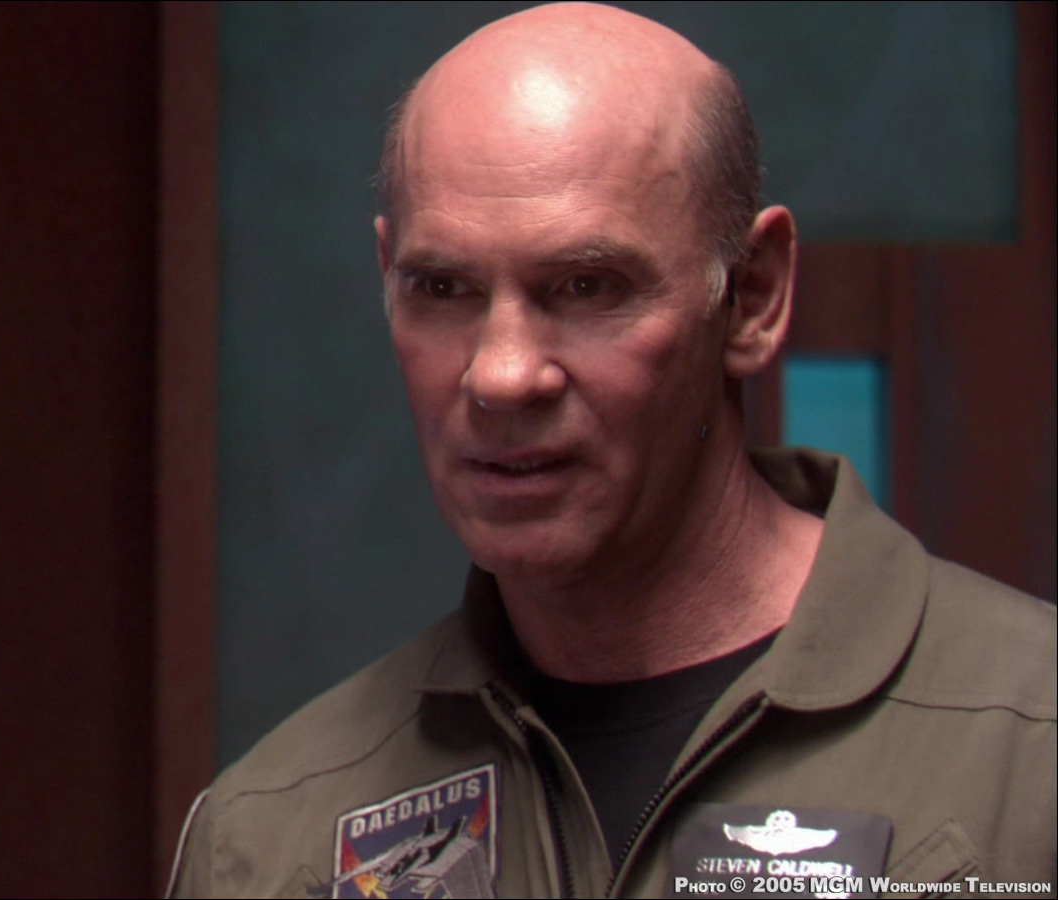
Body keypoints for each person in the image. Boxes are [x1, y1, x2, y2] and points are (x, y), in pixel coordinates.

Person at [168, 4, 1056, 897]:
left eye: (586, 286)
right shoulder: (278, 834)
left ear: (749, 296)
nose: (502, 375)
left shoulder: (1026, 754)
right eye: (442, 288)